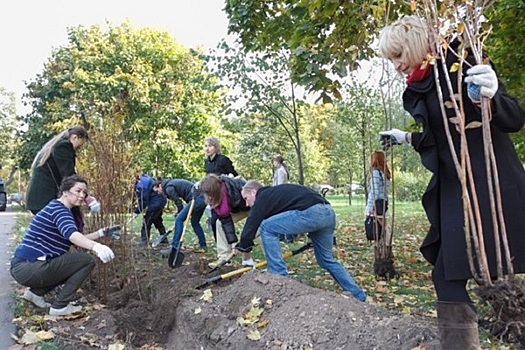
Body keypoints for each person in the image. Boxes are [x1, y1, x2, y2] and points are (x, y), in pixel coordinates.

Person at [378, 15, 525, 349]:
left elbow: (514, 118)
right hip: (455, 191)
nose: (396, 66)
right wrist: (405, 138)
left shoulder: (461, 62)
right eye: (391, 59)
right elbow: (441, 140)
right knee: (449, 274)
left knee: (496, 273)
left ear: (417, 45)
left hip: (490, 188)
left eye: (398, 55)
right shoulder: (419, 83)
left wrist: (491, 96)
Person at [234, 181, 366, 302]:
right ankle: (358, 295)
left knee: (267, 227)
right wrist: (243, 243)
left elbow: (252, 223)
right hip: (328, 212)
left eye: (246, 199)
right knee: (326, 260)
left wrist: (243, 246)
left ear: (253, 192)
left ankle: (279, 278)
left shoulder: (263, 197)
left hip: (311, 213)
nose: (246, 204)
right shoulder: (276, 194)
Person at [10, 175, 116, 316]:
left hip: (25, 267)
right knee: (86, 261)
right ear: (65, 192)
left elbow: (76, 238)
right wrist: (96, 247)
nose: (82, 196)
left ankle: (35, 294)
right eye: (78, 191)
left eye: (84, 192)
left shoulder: (57, 207)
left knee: (69, 264)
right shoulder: (60, 211)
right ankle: (60, 306)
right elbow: (72, 235)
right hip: (29, 267)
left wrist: (102, 232)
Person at [25, 126, 101, 231]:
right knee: (64, 231)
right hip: (44, 199)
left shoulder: (55, 146)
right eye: (80, 144)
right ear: (75, 137)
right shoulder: (63, 146)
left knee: (53, 233)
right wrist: (87, 197)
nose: (79, 148)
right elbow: (69, 176)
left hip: (39, 199)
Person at [199, 174, 253, 269]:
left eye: (209, 193)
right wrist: (233, 243)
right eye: (206, 193)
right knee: (219, 223)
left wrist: (239, 244)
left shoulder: (233, 190)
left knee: (257, 229)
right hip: (239, 209)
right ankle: (224, 257)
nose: (208, 196)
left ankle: (245, 249)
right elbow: (226, 220)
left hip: (252, 206)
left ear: (215, 190)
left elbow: (253, 201)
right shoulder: (217, 199)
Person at [153, 178, 207, 253]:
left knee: (179, 219)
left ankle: (174, 246)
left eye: (157, 191)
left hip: (196, 198)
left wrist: (179, 213)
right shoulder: (170, 183)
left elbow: (178, 202)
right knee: (195, 222)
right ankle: (203, 246)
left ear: (159, 186)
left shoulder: (168, 188)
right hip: (203, 198)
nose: (158, 193)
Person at [133, 174, 168, 246]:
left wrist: (136, 211)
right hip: (161, 201)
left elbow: (143, 200)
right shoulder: (145, 179)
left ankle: (144, 241)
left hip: (155, 204)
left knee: (147, 221)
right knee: (157, 220)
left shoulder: (142, 185)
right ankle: (164, 238)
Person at [365, 151, 391, 241]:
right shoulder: (385, 173)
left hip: (376, 202)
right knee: (384, 224)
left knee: (380, 225)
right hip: (383, 201)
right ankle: (386, 244)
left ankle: (384, 244)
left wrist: (372, 206)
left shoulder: (376, 173)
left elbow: (375, 190)